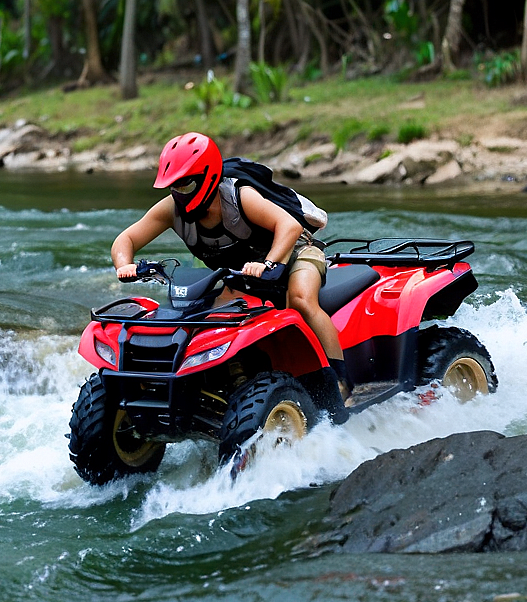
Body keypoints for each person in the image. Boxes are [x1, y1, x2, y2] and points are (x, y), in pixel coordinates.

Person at [110, 132, 353, 404]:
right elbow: (125, 239)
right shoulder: (171, 208)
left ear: (208, 177)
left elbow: (290, 226)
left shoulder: (239, 196)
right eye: (174, 186)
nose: (179, 193)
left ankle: (340, 382)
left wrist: (269, 262)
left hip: (294, 251)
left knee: (300, 300)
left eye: (186, 185)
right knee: (207, 318)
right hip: (240, 272)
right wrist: (125, 265)